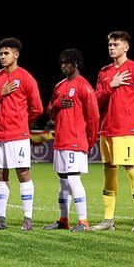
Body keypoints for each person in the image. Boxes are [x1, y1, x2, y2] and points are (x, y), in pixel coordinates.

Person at [92, 31, 134, 233]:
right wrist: (111, 85)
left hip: (127, 131)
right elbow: (96, 100)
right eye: (109, 44)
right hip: (106, 129)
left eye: (116, 44)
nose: (111, 47)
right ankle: (108, 220)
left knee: (132, 170)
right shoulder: (104, 72)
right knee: (109, 172)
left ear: (126, 47)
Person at [0, 37, 43, 230]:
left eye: (6, 53)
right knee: (0, 173)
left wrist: (21, 123)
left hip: (17, 135)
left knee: (23, 172)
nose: (2, 56)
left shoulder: (26, 78)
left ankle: (28, 219)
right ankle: (0, 219)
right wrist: (1, 93)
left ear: (16, 55)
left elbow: (37, 108)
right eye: (0, 53)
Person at [43, 49, 98, 233]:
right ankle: (63, 220)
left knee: (74, 180)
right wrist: (57, 104)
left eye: (67, 62)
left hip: (75, 141)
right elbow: (49, 110)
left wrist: (89, 141)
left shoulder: (84, 87)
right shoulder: (59, 86)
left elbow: (93, 117)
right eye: (62, 63)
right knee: (63, 183)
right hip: (60, 140)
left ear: (76, 64)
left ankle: (83, 221)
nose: (63, 66)